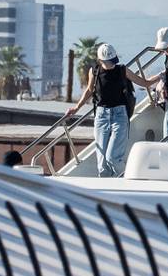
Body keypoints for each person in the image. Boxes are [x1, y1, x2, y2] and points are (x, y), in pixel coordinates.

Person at [65, 43, 154, 177]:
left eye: (113, 61)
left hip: (120, 115)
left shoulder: (122, 70)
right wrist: (76, 107)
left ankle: (127, 181)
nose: (111, 64)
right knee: (102, 165)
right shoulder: (94, 71)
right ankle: (108, 191)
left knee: (112, 158)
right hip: (101, 116)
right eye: (108, 62)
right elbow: (89, 90)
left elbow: (144, 83)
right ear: (100, 60)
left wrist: (160, 76)